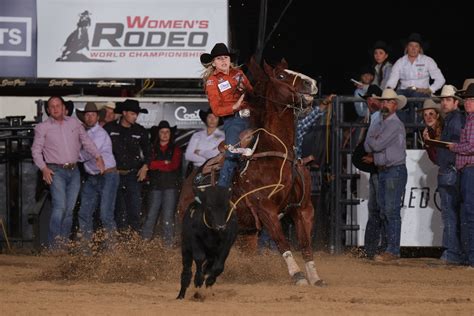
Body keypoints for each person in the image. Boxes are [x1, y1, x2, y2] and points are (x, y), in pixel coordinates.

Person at [32, 96, 104, 247]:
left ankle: (63, 246)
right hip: (55, 170)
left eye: (58, 105)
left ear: (63, 107)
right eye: (52, 106)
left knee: (69, 210)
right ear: (48, 110)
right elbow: (36, 151)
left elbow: (86, 141)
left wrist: (97, 156)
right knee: (60, 207)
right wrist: (44, 168)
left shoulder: (74, 123)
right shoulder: (42, 127)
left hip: (74, 170)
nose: (55, 108)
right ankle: (54, 246)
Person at [200, 42, 253, 188]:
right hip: (233, 120)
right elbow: (216, 110)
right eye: (219, 58)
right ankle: (222, 190)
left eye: (225, 57)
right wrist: (234, 107)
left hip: (252, 116)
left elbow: (253, 94)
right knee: (231, 154)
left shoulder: (239, 74)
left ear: (230, 60)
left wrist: (247, 91)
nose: (223, 61)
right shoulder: (212, 81)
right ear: (214, 63)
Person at [365, 89, 408, 262]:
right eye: (383, 101)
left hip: (393, 170)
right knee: (386, 211)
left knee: (390, 211)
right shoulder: (382, 122)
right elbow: (369, 145)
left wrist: (374, 143)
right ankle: (389, 248)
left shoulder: (394, 124)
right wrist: (374, 143)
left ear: (395, 105)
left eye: (389, 102)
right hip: (386, 170)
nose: (384, 104)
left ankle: (393, 250)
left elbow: (374, 144)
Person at [430, 84, 465, 265]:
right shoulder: (452, 119)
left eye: (447, 100)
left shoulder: (455, 120)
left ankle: (451, 253)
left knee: (450, 214)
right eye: (442, 100)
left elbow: (458, 145)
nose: (443, 103)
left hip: (450, 170)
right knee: (452, 213)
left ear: (455, 102)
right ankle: (454, 252)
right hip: (450, 170)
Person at [104, 99, 150, 233]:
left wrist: (145, 166)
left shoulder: (140, 130)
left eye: (136, 114)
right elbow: (100, 149)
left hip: (132, 174)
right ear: (124, 113)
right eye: (132, 113)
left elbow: (148, 151)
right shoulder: (110, 128)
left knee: (135, 210)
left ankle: (134, 244)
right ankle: (119, 243)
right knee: (117, 210)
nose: (135, 116)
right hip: (113, 175)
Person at [76, 103, 119, 244]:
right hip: (94, 176)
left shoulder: (100, 133)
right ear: (83, 117)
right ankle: (86, 249)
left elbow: (89, 152)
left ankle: (111, 251)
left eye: (92, 115)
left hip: (107, 175)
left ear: (97, 117)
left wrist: (70, 155)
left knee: (105, 214)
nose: (89, 117)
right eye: (87, 115)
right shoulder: (84, 134)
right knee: (84, 213)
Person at [354, 85, 386, 259]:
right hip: (377, 168)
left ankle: (379, 248)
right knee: (376, 209)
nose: (370, 101)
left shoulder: (380, 118)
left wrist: (374, 157)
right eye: (368, 99)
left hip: (380, 167)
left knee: (380, 209)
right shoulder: (374, 117)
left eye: (373, 98)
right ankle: (373, 248)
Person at [386, 33, 445, 124]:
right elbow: (392, 80)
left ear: (420, 48)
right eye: (411, 45)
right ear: (407, 47)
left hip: (420, 92)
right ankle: (407, 125)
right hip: (404, 92)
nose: (413, 48)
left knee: (417, 97)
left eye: (416, 46)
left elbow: (440, 79)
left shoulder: (427, 60)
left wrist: (430, 89)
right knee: (393, 100)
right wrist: (388, 91)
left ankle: (413, 125)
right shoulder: (400, 62)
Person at [141, 120, 182, 247]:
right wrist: (163, 163)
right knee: (152, 215)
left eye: (167, 132)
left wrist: (154, 165)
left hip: (169, 186)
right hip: (156, 186)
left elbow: (173, 166)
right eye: (162, 132)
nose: (165, 134)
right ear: (158, 134)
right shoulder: (152, 149)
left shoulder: (176, 150)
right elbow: (150, 164)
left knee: (167, 216)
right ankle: (145, 241)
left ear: (170, 134)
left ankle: (167, 244)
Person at [447, 83, 474, 268]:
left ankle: (471, 257)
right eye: (466, 99)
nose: (467, 102)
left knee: (469, 213)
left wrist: (454, 147)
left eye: (470, 99)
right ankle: (469, 255)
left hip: (470, 169)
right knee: (467, 213)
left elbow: (472, 147)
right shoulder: (468, 120)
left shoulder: (472, 121)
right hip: (467, 170)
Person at [418, 99, 444, 164]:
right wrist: (428, 142)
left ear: (437, 115)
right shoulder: (430, 133)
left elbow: (438, 158)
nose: (428, 117)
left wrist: (428, 143)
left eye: (431, 114)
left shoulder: (444, 130)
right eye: (425, 115)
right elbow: (435, 159)